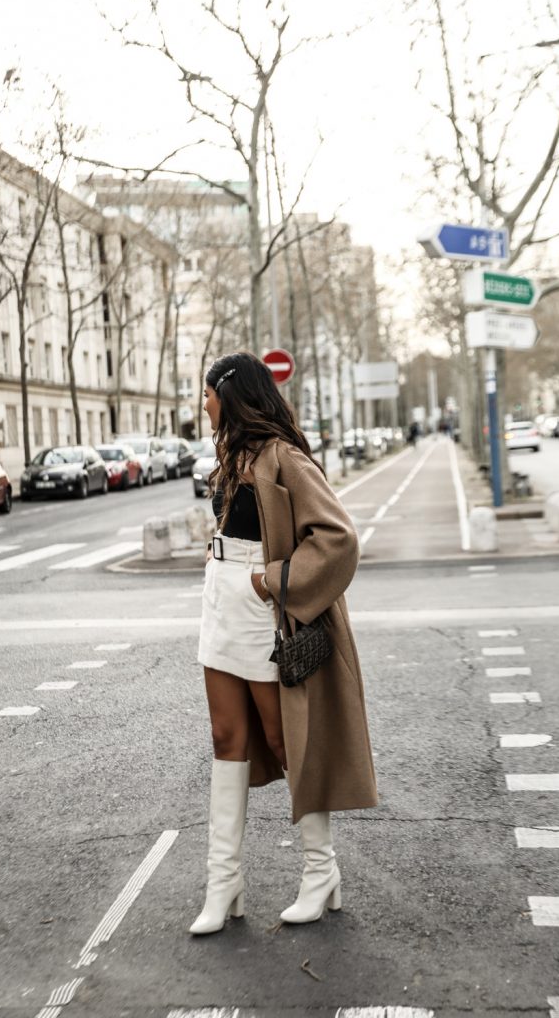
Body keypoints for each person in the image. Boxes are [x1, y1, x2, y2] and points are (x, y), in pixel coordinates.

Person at [191, 350, 378, 936]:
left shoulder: (283, 457)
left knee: (283, 736)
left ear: (230, 392)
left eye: (207, 391)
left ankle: (320, 872)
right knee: (227, 736)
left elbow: (338, 537)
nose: (202, 403)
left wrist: (270, 580)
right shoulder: (230, 455)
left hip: (260, 604)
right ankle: (224, 885)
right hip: (220, 602)